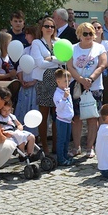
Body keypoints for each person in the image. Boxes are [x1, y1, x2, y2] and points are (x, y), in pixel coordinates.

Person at [66, 22, 107, 158]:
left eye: (91, 33)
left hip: (94, 87)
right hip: (77, 87)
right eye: (85, 33)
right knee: (76, 117)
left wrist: (90, 79)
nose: (89, 36)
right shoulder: (72, 48)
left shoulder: (100, 47)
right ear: (79, 35)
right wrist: (81, 80)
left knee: (92, 117)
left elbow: (102, 65)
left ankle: (90, 147)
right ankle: (77, 146)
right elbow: (70, 67)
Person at [30, 16, 60, 153]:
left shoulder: (58, 42)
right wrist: (56, 61)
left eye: (52, 26)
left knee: (57, 115)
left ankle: (55, 146)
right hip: (44, 82)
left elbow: (64, 60)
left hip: (58, 82)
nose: (50, 29)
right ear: (41, 28)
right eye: (47, 26)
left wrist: (52, 58)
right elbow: (39, 63)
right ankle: (45, 146)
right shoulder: (36, 43)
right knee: (44, 114)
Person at [53, 68, 75, 166]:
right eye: (65, 81)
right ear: (58, 81)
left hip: (68, 120)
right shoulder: (57, 94)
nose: (68, 83)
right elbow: (60, 106)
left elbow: (70, 105)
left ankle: (65, 156)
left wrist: (71, 116)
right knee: (61, 140)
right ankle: (60, 159)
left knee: (67, 139)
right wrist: (64, 97)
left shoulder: (66, 91)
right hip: (61, 120)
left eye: (69, 81)